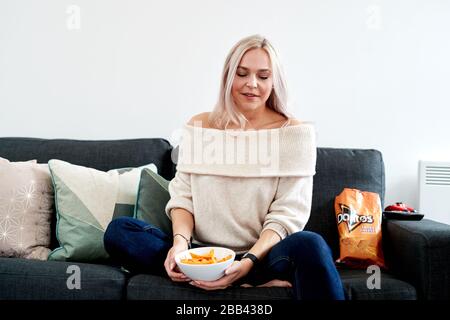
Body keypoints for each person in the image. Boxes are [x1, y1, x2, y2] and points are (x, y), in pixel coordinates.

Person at [103, 34, 345, 300]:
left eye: (263, 76)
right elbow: (183, 198)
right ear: (228, 77)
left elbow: (286, 216)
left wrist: (248, 262)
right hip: (200, 254)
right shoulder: (200, 126)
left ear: (274, 82)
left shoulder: (293, 134)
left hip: (260, 257)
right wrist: (180, 246)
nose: (252, 84)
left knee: (311, 244)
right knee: (119, 232)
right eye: (242, 74)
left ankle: (243, 278)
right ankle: (223, 280)